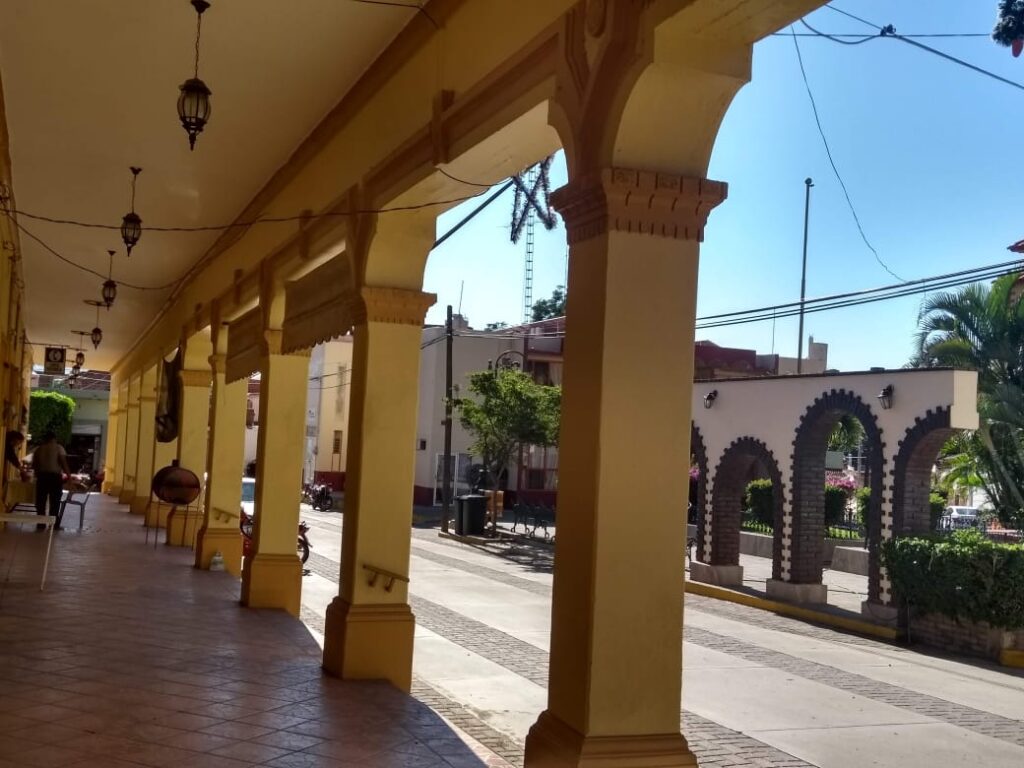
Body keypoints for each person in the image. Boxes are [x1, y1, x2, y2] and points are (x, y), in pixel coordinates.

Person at [32, 432, 70, 531]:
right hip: (55, 477)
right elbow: (63, 463)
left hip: (42, 477)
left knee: (41, 501)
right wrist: (69, 477)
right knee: (55, 501)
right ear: (54, 438)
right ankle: (53, 524)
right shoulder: (59, 448)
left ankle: (41, 523)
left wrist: (37, 474)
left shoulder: (38, 449)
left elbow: (34, 465)